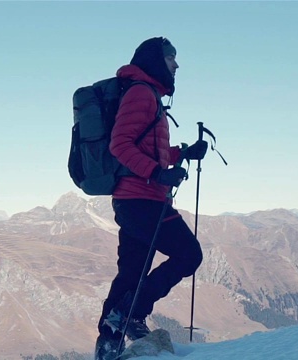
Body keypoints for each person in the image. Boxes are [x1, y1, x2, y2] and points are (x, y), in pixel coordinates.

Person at [94, 37, 208, 359]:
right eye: (172, 58)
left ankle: (108, 341)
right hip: (142, 199)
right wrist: (156, 175)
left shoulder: (148, 95)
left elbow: (148, 150)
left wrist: (181, 154)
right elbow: (120, 145)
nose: (176, 65)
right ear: (157, 61)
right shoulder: (142, 93)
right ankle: (129, 313)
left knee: (132, 272)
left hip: (135, 199)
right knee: (189, 255)